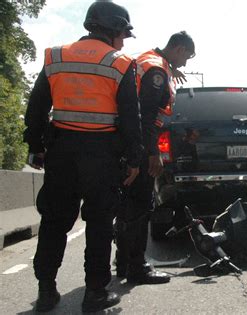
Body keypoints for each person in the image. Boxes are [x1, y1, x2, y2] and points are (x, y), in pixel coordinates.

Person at [23, 1, 143, 312]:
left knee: (54, 221)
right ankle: (95, 294)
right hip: (102, 154)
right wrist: (133, 158)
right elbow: (131, 118)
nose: (124, 40)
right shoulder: (120, 63)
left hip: (61, 151)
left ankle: (46, 290)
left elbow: (36, 107)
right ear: (114, 30)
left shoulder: (56, 55)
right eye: (123, 34)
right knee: (100, 223)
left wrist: (35, 145)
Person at [114, 31, 195, 284]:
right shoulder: (156, 70)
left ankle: (125, 263)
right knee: (140, 208)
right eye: (187, 57)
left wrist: (170, 70)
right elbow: (146, 116)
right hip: (139, 145)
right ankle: (137, 267)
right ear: (179, 48)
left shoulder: (152, 62)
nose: (185, 63)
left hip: (125, 143)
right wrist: (152, 153)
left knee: (128, 207)